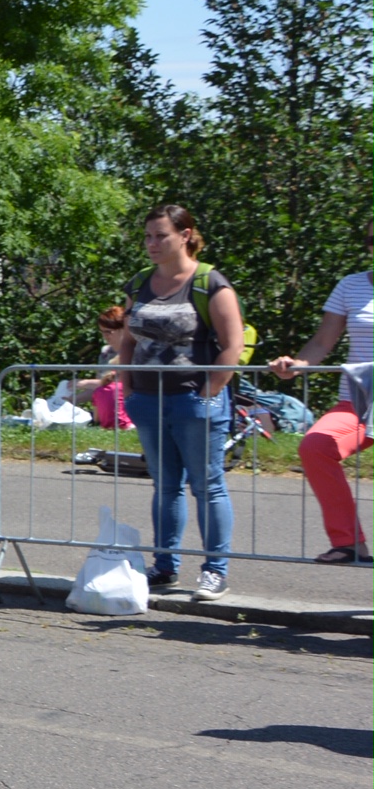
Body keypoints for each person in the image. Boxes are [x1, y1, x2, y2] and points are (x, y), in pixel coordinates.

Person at [113, 205, 245, 597]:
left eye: (161, 236)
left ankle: (215, 570)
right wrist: (128, 387)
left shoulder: (210, 283)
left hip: (194, 399)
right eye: (148, 236)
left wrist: (210, 392)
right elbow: (128, 340)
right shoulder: (140, 282)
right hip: (148, 400)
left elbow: (233, 344)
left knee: (208, 486)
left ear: (185, 235)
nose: (152, 244)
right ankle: (165, 565)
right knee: (166, 485)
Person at [269, 218, 374, 564]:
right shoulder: (350, 286)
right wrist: (297, 364)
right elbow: (322, 341)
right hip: (359, 401)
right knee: (315, 446)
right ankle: (349, 543)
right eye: (372, 239)